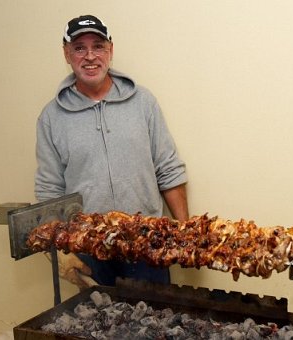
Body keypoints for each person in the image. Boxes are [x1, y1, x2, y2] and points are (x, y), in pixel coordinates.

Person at [35, 15, 189, 288]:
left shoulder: (143, 102)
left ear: (111, 50)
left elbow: (168, 169)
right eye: (79, 47)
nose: (90, 56)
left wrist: (186, 234)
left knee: (156, 326)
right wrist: (60, 254)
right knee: (97, 327)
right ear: (66, 53)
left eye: (98, 46)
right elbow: (50, 192)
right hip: (89, 251)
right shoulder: (51, 118)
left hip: (147, 246)